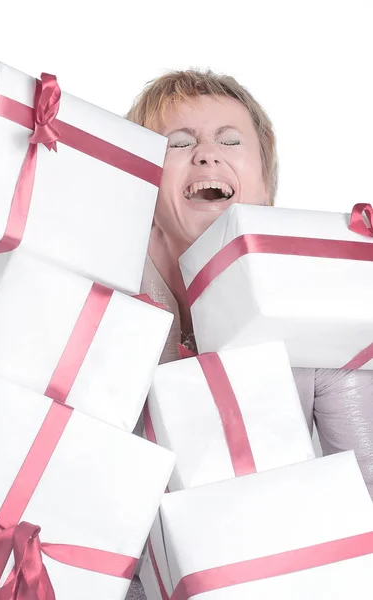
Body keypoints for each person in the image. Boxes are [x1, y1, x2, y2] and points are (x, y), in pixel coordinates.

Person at [125, 69, 373, 600]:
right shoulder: (87, 302)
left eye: (231, 141)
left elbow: (367, 482)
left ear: (266, 189)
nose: (208, 155)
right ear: (137, 177)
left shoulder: (316, 310)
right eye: (179, 143)